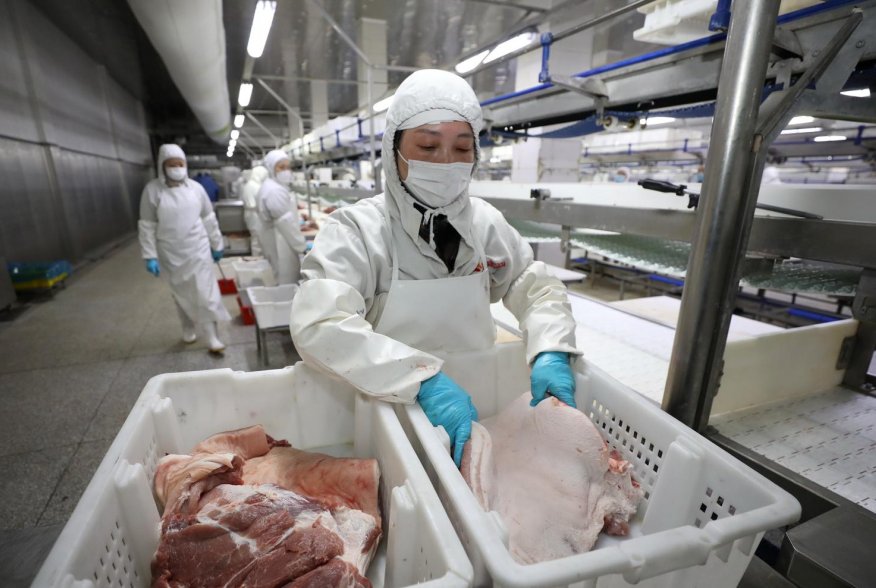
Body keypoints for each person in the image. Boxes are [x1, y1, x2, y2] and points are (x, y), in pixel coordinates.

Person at [289, 69, 579, 466]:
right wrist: (421, 380)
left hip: (479, 410)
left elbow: (535, 285)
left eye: (462, 149)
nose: (446, 163)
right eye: (427, 146)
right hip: (389, 411)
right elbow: (319, 324)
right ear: (394, 151)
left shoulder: (485, 224)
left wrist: (550, 347)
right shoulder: (358, 229)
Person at [138, 144, 230, 353]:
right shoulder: (152, 191)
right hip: (170, 251)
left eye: (180, 164)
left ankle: (212, 336)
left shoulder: (196, 189)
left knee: (206, 293)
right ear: (162, 167)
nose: (177, 168)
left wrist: (217, 244)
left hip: (197, 247)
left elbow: (208, 218)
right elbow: (147, 225)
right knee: (180, 294)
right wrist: (149, 255)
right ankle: (188, 328)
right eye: (172, 164)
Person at [257, 150, 306, 284]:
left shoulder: (273, 186)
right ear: (271, 169)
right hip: (281, 241)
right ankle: (287, 304)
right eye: (281, 167)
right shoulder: (274, 190)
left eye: (288, 167)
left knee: (280, 274)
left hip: (278, 236)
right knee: (286, 277)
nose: (286, 171)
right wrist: (302, 246)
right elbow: (286, 223)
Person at [241, 164, 269, 256]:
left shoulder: (250, 184)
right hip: (255, 215)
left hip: (252, 215)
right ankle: (257, 259)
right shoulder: (254, 186)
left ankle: (258, 257)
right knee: (258, 239)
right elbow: (260, 203)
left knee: (256, 238)